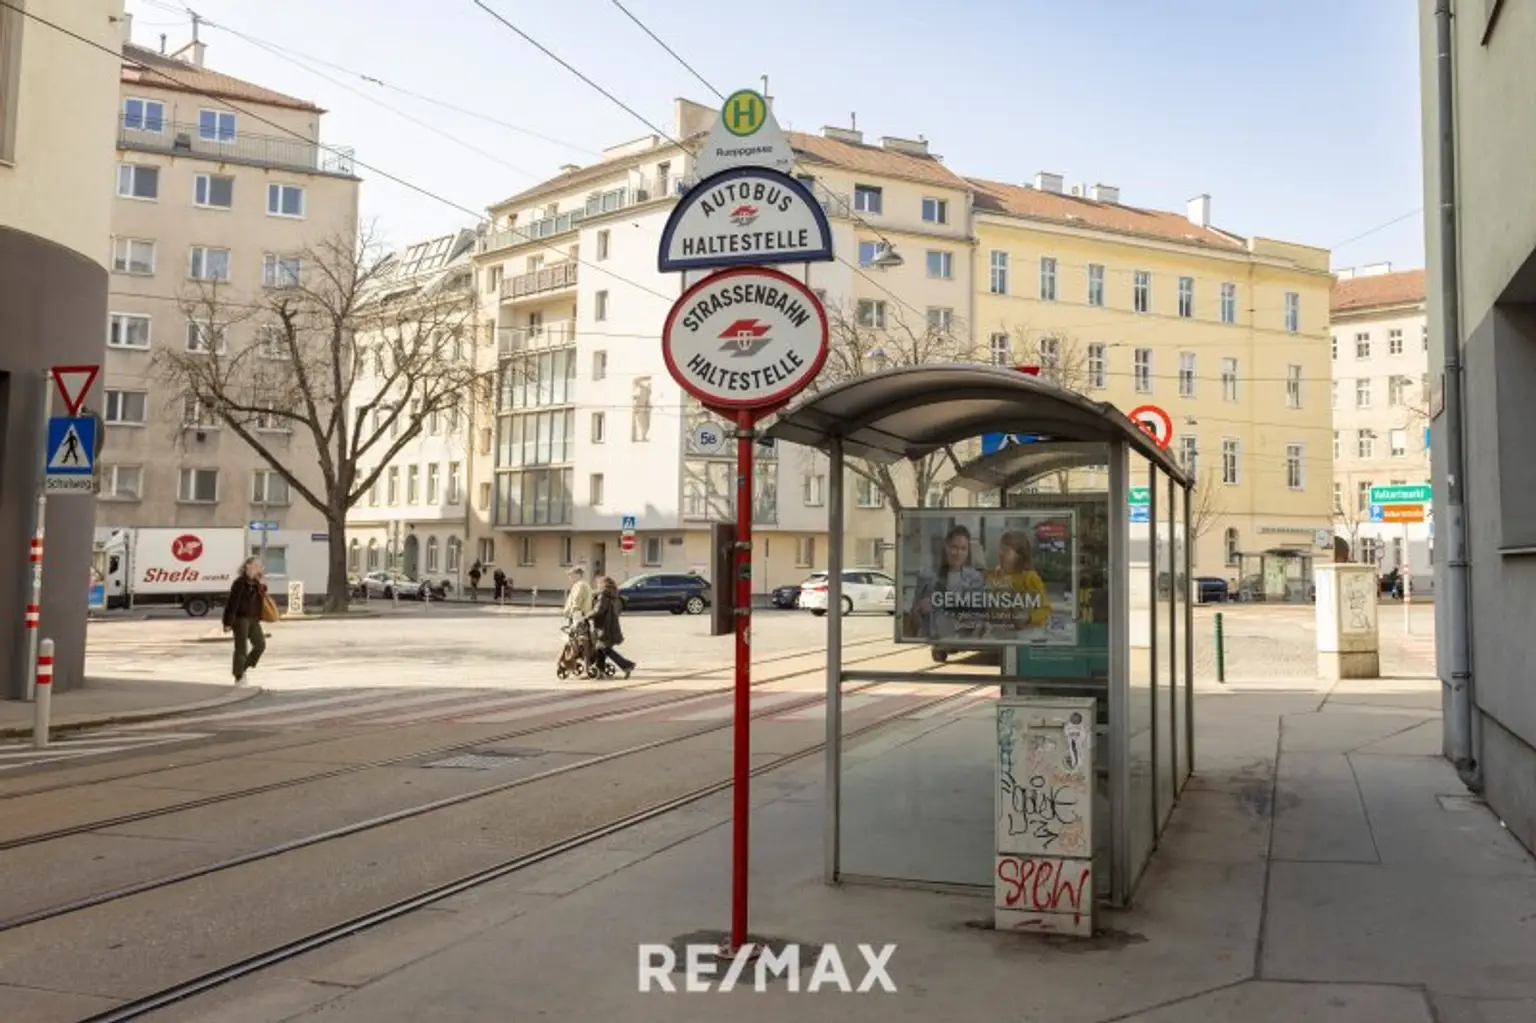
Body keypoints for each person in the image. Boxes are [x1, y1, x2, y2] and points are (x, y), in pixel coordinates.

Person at [903, 524, 986, 641]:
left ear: (968, 551)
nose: (958, 553)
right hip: (933, 639)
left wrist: (937, 603)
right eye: (954, 547)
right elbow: (914, 619)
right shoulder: (927, 576)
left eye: (963, 549)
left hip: (963, 639)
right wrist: (919, 610)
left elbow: (977, 615)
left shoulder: (975, 578)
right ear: (946, 547)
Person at [987, 530, 1052, 633]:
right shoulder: (992, 576)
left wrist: (1028, 617)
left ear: (1019, 555)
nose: (1001, 553)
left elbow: (1045, 610)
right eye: (1001, 548)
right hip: (996, 633)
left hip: (1023, 633)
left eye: (1006, 550)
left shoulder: (1030, 578)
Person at [222, 557, 268, 684]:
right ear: (248, 565)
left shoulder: (257, 582)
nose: (260, 567)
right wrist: (227, 622)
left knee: (260, 644)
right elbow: (232, 603)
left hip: (254, 619)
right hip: (240, 618)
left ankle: (243, 668)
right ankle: (239, 676)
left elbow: (262, 597)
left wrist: (260, 582)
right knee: (241, 648)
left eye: (260, 565)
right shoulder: (240, 582)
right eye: (257, 565)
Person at [590, 576, 636, 678]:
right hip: (612, 626)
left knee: (605, 648)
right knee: (600, 649)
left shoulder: (603, 596)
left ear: (603, 584)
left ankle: (627, 665)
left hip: (604, 627)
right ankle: (600, 672)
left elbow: (598, 610)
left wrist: (586, 616)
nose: (597, 586)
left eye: (598, 584)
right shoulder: (615, 596)